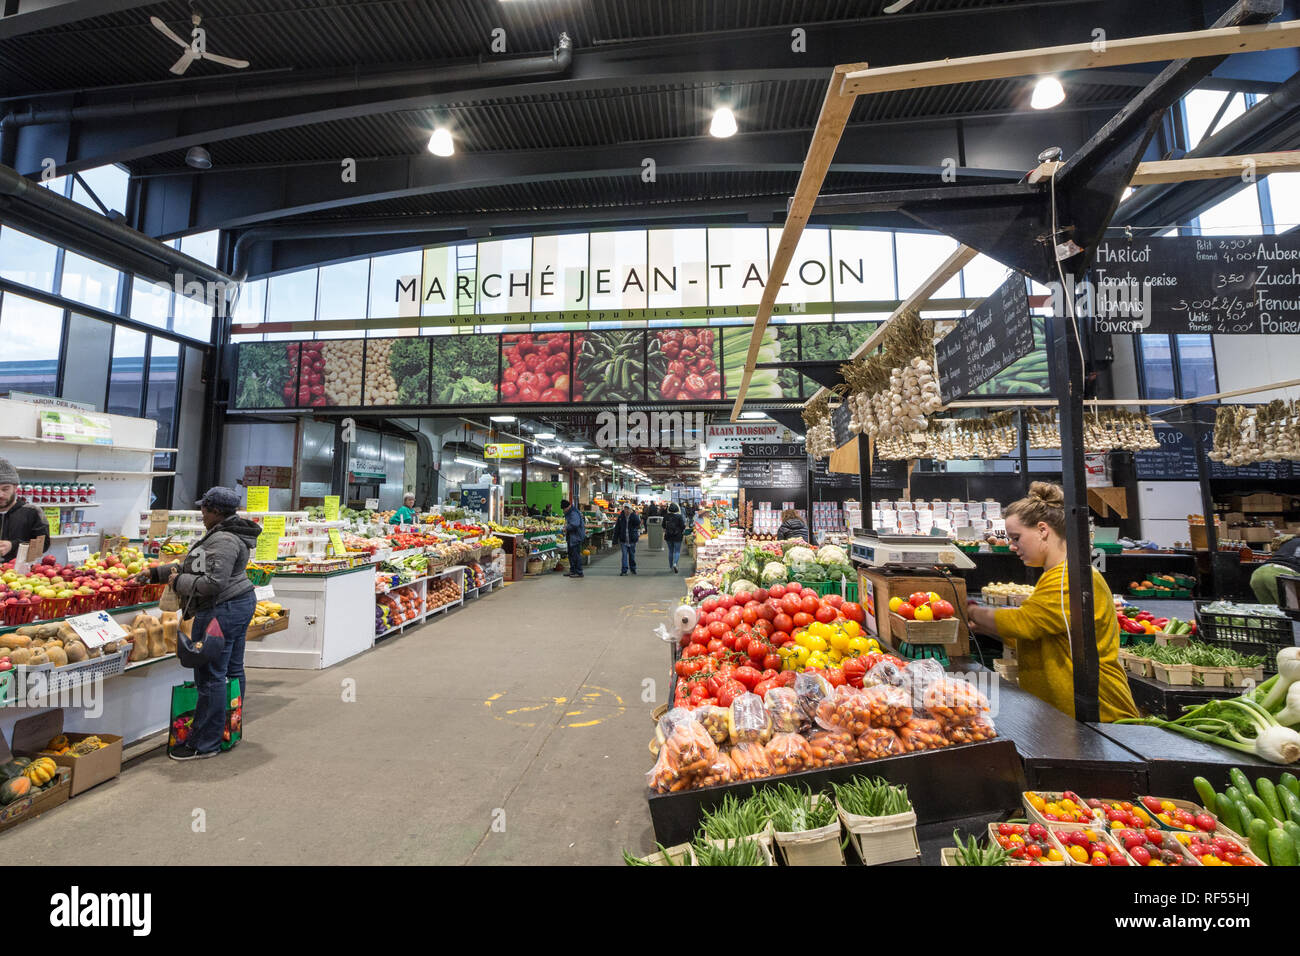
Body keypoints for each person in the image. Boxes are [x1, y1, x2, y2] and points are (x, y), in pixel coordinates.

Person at [965, 482, 1138, 723]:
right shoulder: (1059, 574)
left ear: (1043, 530)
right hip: (1067, 714)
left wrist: (972, 611)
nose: (1013, 546)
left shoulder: (1069, 577)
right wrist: (987, 627)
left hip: (1098, 714)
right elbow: (1048, 635)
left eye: (1016, 538)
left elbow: (1026, 623)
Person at [136, 487, 261, 760]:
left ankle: (206, 743)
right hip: (235, 605)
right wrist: (156, 573)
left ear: (215, 511)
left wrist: (178, 582)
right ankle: (229, 729)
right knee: (230, 669)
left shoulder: (224, 540)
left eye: (204, 508)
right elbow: (200, 567)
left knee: (211, 675)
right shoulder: (221, 534)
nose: (201, 513)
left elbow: (213, 583)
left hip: (222, 609)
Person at [0, 458, 48, 564]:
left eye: (5, 489)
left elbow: (42, 546)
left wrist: (13, 546)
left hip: (22, 575)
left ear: (15, 487)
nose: (0, 495)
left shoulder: (32, 512)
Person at [1250, 536, 1300, 605]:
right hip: (1283, 576)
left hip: (1259, 573)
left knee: (1270, 612)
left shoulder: (1293, 541)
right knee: (1292, 611)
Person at [613, 503, 642, 575]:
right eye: (625, 508)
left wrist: (633, 514)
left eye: (628, 509)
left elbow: (638, 523)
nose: (626, 510)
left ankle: (633, 568)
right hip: (623, 540)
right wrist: (615, 540)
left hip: (632, 539)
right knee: (624, 556)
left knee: (632, 555)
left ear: (630, 509)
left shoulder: (633, 516)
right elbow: (617, 529)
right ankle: (624, 570)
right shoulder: (620, 517)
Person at [562, 499, 586, 578]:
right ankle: (572, 570)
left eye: (564, 509)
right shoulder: (570, 512)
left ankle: (579, 572)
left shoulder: (573, 513)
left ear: (567, 507)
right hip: (572, 536)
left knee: (575, 555)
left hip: (576, 537)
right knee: (571, 554)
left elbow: (575, 524)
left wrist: (567, 528)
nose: (563, 511)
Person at [663, 503, 686, 573]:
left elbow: (663, 526)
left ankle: (670, 567)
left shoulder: (666, 516)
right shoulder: (679, 516)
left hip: (668, 536)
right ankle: (675, 564)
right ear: (677, 509)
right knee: (677, 551)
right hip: (677, 536)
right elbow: (683, 526)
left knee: (670, 551)